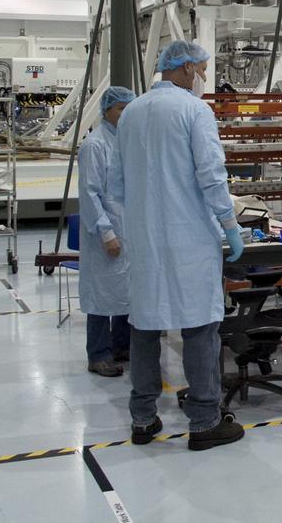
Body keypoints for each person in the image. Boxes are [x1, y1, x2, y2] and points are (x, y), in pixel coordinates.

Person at [110, 40, 246, 451]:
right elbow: (211, 174)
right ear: (186, 68)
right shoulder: (194, 111)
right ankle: (205, 421)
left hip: (145, 241)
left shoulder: (131, 112)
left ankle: (143, 418)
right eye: (202, 70)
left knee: (145, 328)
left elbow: (117, 183)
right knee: (201, 329)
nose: (202, 78)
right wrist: (229, 223)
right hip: (189, 239)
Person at [78, 86, 137, 377]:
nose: (125, 115)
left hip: (129, 227)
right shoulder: (95, 145)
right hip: (106, 231)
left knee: (126, 291)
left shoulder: (127, 142)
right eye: (121, 110)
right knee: (102, 295)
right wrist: (107, 233)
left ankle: (121, 346)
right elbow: (90, 195)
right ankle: (98, 355)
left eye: (130, 110)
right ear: (106, 111)